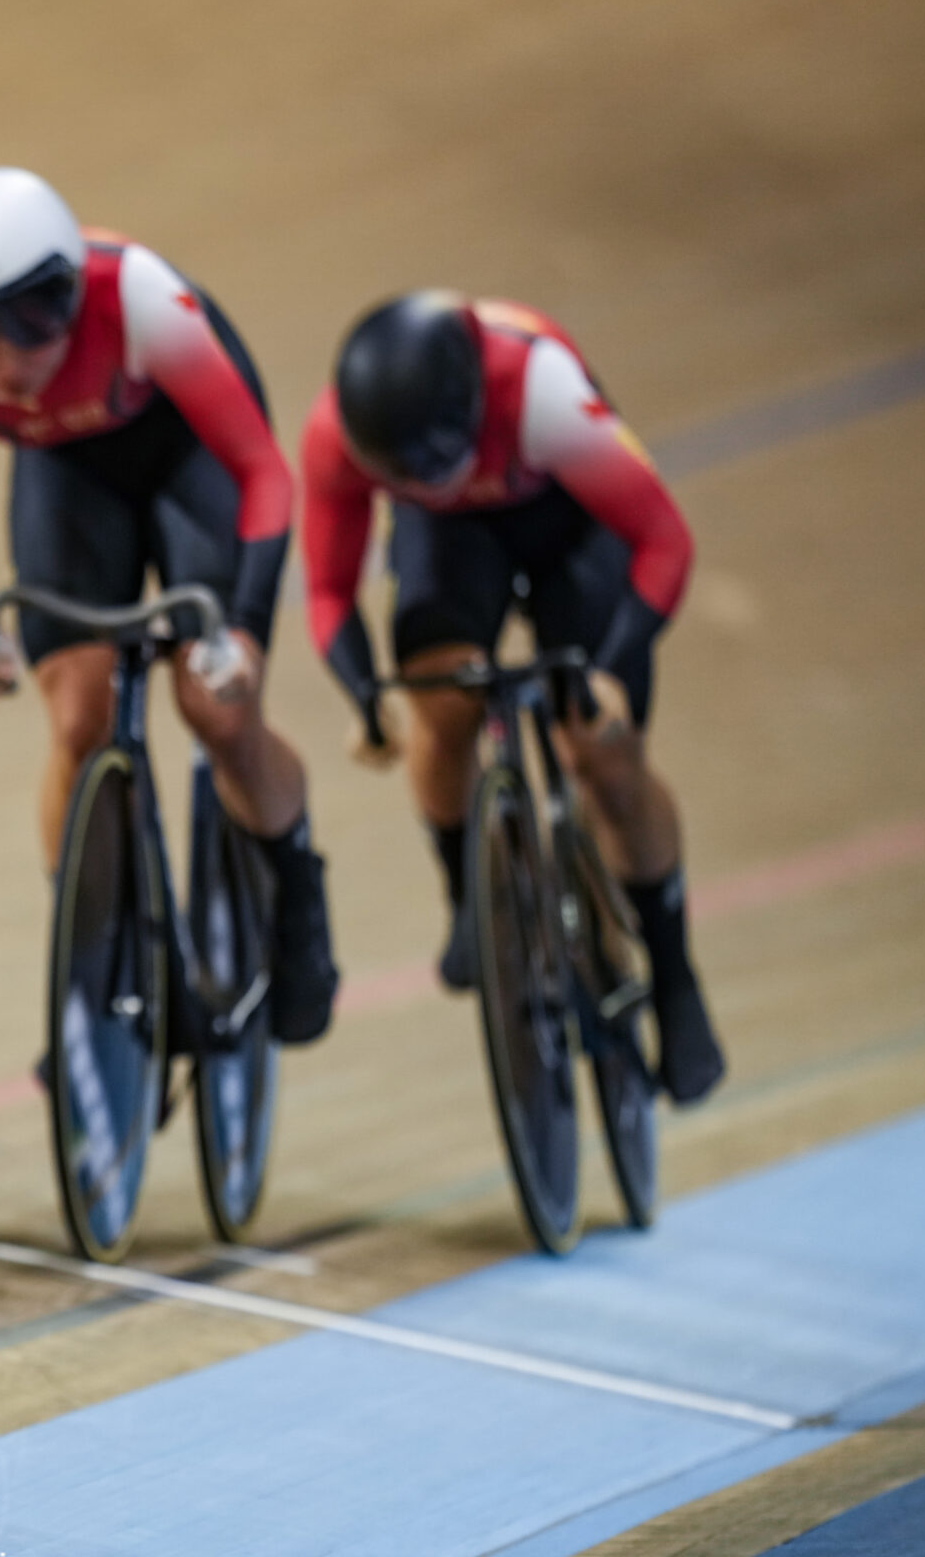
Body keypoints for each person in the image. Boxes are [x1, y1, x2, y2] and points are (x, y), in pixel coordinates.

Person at [0, 166, 338, 1044]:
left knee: (215, 706)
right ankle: (88, 978)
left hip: (187, 460)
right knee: (76, 719)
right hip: (70, 481)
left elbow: (263, 479)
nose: (4, 361)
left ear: (69, 292)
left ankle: (296, 897)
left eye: (27, 324)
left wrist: (243, 630)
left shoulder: (145, 305)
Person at [299, 290, 725, 1102]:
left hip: (569, 521)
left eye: (435, 458)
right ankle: (470, 892)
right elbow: (326, 589)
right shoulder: (339, 437)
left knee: (604, 755)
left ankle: (674, 975)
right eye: (406, 471)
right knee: (442, 701)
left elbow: (663, 541)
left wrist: (613, 662)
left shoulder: (543, 393)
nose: (428, 475)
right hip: (449, 539)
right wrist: (364, 699)